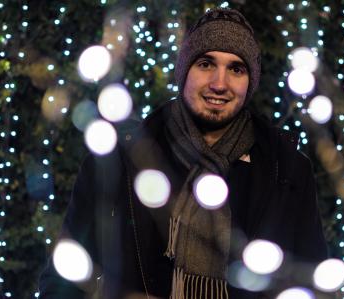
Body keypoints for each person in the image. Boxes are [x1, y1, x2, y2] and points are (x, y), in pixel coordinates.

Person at [39, 7, 328, 299]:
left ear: (249, 82)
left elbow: (312, 286)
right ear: (184, 71)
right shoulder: (121, 160)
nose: (219, 83)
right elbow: (63, 283)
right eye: (205, 64)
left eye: (236, 69)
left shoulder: (287, 170)